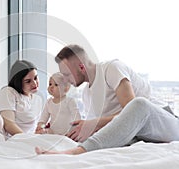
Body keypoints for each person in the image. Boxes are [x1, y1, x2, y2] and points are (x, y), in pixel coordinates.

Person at [35, 44, 179, 155]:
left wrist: (94, 123)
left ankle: (76, 152)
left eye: (66, 74)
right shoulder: (86, 94)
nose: (65, 80)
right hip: (140, 135)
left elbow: (131, 111)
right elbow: (110, 126)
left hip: (163, 123)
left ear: (81, 67)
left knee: (139, 104)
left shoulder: (111, 69)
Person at [0, 60, 43, 139]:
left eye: (36, 78)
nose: (34, 83)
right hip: (2, 134)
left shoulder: (37, 100)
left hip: (23, 137)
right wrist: (28, 139)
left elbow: (34, 128)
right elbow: (9, 125)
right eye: (28, 81)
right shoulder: (9, 92)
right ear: (18, 82)